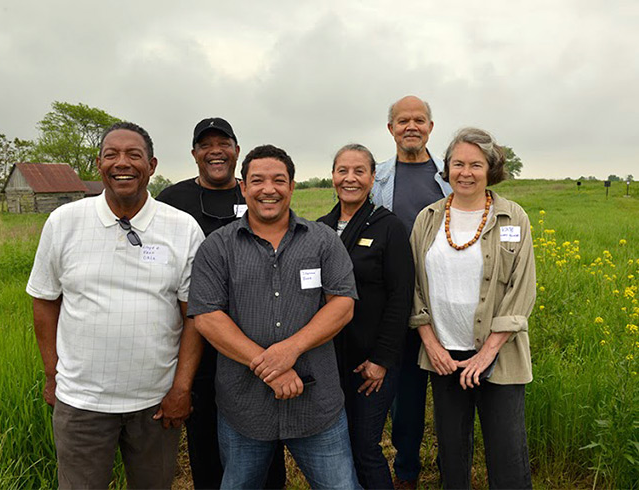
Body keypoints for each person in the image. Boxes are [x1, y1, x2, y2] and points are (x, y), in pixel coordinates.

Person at [27, 122, 205, 489]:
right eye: (112, 155)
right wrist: (51, 373)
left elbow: (195, 317)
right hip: (81, 403)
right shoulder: (64, 222)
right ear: (99, 164)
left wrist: (181, 389)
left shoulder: (183, 228)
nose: (122, 163)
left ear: (152, 165)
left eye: (133, 155)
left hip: (155, 403)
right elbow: (44, 300)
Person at [188, 144, 362, 489]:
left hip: (316, 405)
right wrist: (270, 366)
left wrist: (290, 349)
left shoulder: (324, 240)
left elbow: (342, 304)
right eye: (258, 180)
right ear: (243, 186)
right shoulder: (217, 246)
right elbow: (207, 316)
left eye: (279, 180)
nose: (269, 189)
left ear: (292, 186)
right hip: (244, 408)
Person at [156, 117, 286, 489]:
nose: (216, 151)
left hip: (255, 337)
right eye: (206, 144)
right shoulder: (172, 200)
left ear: (237, 151)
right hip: (198, 336)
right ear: (194, 153)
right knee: (204, 431)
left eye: (223, 143)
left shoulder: (254, 194)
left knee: (262, 426)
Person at [410, 127, 535, 489]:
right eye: (458, 163)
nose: (465, 172)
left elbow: (522, 289)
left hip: (500, 355)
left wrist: (487, 354)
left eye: (475, 165)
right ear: (446, 168)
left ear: (490, 169)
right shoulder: (427, 219)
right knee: (451, 451)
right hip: (444, 356)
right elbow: (414, 287)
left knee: (508, 452)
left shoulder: (513, 218)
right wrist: (432, 346)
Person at [317, 144, 414, 489]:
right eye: (343, 170)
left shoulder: (389, 227)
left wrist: (382, 360)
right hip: (330, 360)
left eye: (359, 171)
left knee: (364, 445)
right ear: (332, 177)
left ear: (373, 178)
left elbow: (401, 297)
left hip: (372, 363)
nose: (350, 178)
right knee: (336, 446)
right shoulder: (321, 228)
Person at [371, 95, 452, 489]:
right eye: (403, 120)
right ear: (391, 129)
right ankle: (406, 470)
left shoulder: (451, 177)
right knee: (406, 393)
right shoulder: (378, 178)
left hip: (445, 301)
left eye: (419, 120)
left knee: (453, 388)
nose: (411, 126)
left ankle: (453, 464)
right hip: (395, 301)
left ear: (431, 128)